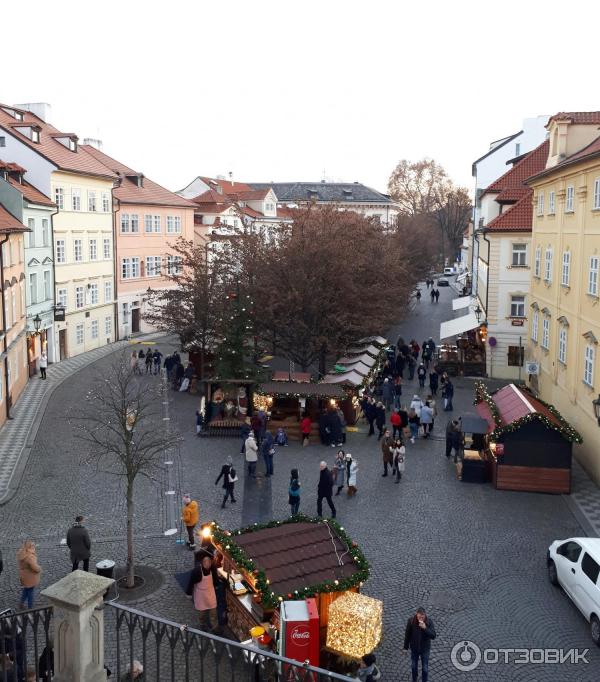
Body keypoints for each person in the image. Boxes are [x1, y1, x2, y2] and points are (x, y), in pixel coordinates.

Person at [403, 607, 436, 682]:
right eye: (419, 617)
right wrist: (405, 647)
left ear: (425, 615)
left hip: (425, 649)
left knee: (425, 669)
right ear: (416, 614)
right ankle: (414, 680)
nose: (420, 618)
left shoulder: (429, 622)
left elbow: (433, 635)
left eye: (422, 616)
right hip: (414, 648)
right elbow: (407, 635)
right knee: (414, 667)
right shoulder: (411, 621)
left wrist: (425, 628)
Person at [188, 553, 219, 632]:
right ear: (202, 563)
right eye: (206, 563)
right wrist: (189, 593)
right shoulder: (197, 571)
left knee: (213, 612)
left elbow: (215, 578)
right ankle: (202, 624)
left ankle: (215, 627)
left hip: (210, 592)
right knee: (201, 613)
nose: (208, 565)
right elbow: (191, 582)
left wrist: (217, 585)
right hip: (200, 594)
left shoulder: (213, 569)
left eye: (209, 563)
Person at [17, 540, 41, 609]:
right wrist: (40, 568)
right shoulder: (30, 557)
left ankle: (21, 604)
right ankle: (30, 607)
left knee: (26, 589)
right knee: (30, 592)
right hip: (30, 577)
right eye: (33, 546)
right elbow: (35, 568)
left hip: (24, 576)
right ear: (30, 547)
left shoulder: (21, 553)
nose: (34, 547)